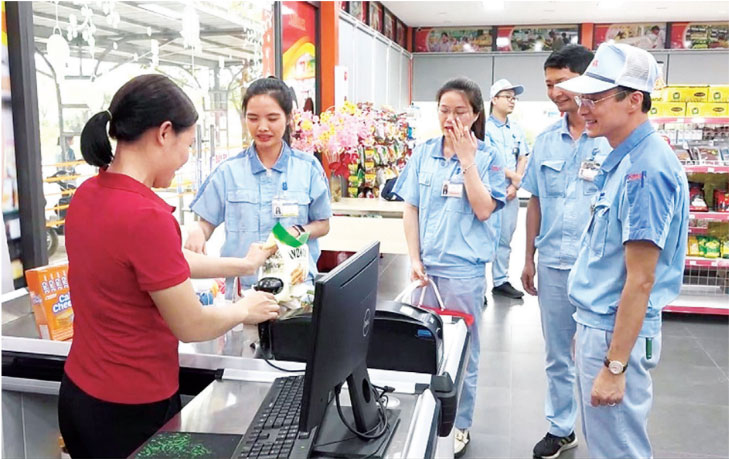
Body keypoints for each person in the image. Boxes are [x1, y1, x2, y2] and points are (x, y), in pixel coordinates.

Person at [59, 74, 281, 458]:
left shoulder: (88, 194)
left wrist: (242, 264)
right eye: (189, 144)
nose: (186, 158)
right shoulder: (145, 215)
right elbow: (191, 324)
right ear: (165, 133)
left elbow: (163, 264)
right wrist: (247, 308)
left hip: (80, 398)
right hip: (131, 411)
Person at [557, 43, 689, 458]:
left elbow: (642, 278)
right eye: (582, 98)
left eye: (595, 99)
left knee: (619, 449)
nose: (584, 109)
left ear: (634, 100)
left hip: (616, 332)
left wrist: (615, 366)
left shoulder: (645, 170)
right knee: (607, 443)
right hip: (602, 326)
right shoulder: (625, 158)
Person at [393, 77, 506, 458]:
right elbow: (412, 207)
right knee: (421, 347)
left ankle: (459, 424)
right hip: (425, 271)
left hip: (463, 274)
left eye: (460, 111)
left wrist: (467, 160)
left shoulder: (489, 157)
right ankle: (423, 415)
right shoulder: (423, 152)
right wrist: (413, 257)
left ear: (475, 114)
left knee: (462, 353)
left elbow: (484, 208)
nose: (451, 118)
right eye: (444, 110)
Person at [519, 44, 612, 459]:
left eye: (560, 83)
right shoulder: (545, 142)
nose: (554, 92)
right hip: (554, 264)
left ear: (585, 80)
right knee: (558, 354)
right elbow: (535, 200)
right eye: (548, 84)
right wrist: (527, 258)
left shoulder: (611, 141)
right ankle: (560, 428)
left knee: (600, 358)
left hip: (600, 270)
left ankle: (605, 435)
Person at [185, 77, 332, 295]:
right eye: (253, 118)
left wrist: (299, 231)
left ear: (289, 118)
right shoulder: (228, 171)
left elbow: (323, 223)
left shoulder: (308, 168)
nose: (262, 127)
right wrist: (197, 232)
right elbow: (205, 223)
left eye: (272, 118)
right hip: (243, 290)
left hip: (295, 288)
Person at [486, 78, 530, 300]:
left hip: (511, 194)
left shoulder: (516, 129)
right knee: (483, 236)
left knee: (505, 238)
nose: (512, 101)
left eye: (514, 98)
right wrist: (514, 178)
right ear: (494, 99)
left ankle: (500, 280)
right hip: (489, 192)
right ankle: (478, 285)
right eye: (507, 97)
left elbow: (522, 156)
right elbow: (488, 160)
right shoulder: (484, 128)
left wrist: (514, 184)